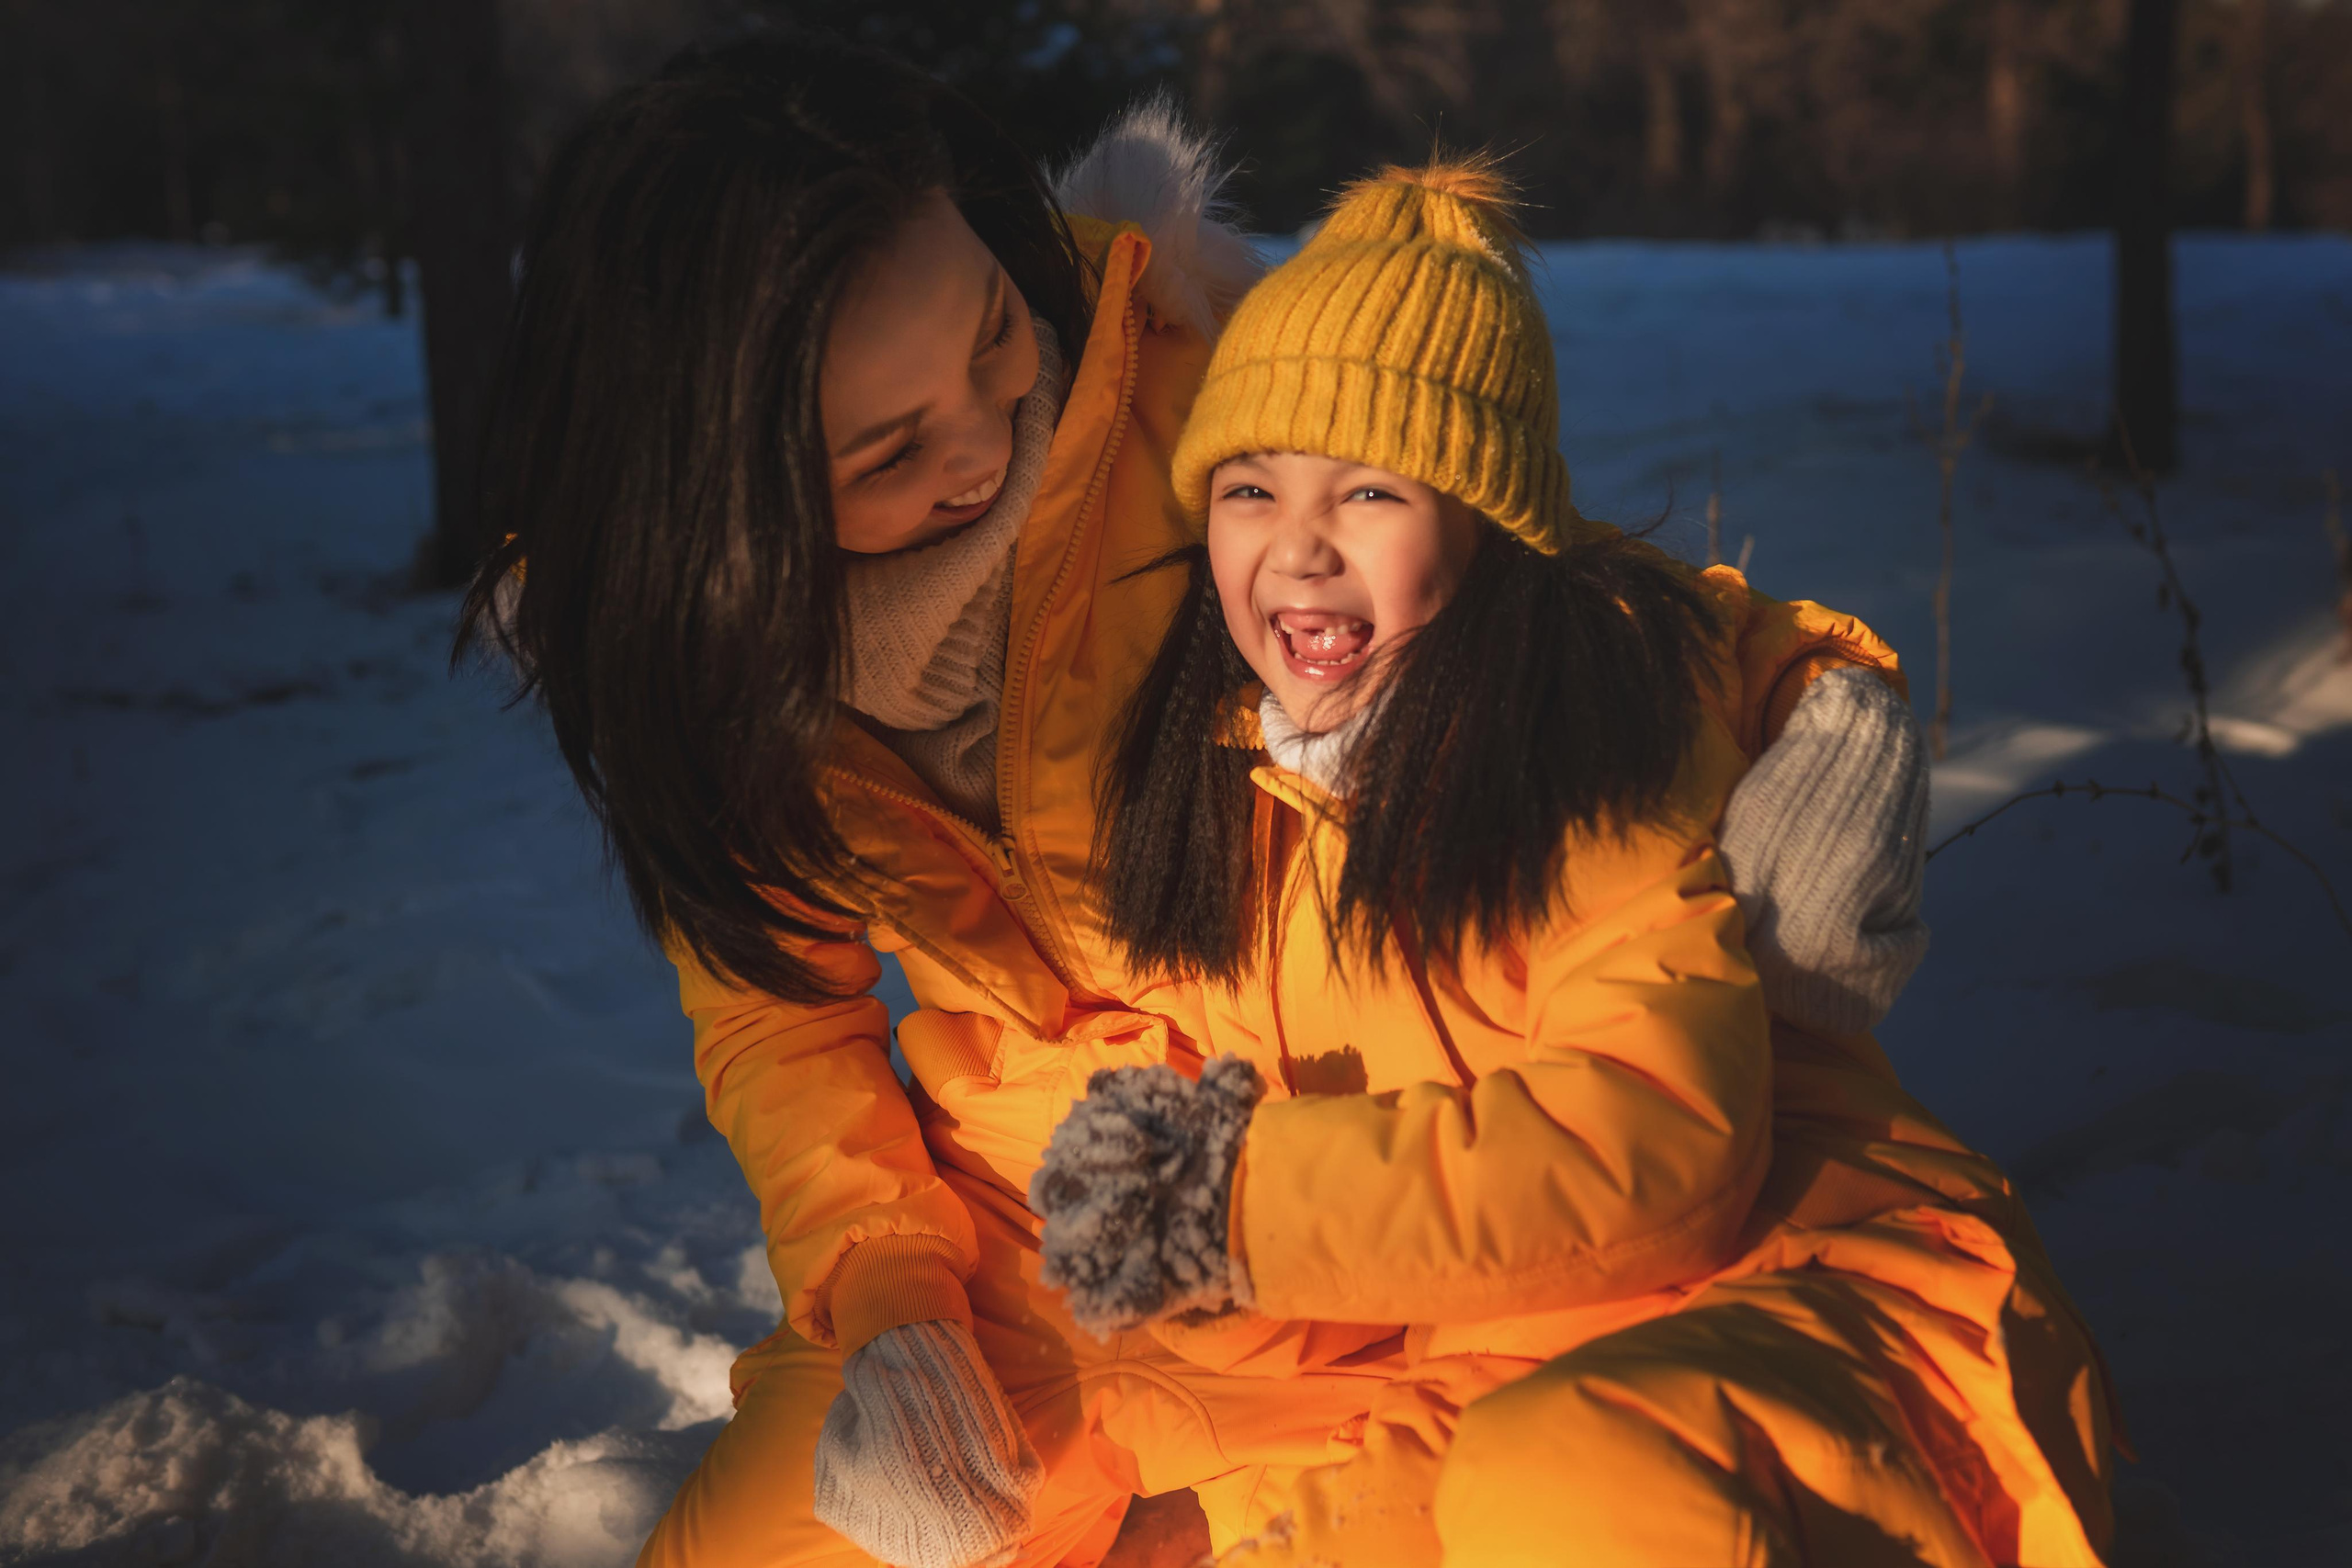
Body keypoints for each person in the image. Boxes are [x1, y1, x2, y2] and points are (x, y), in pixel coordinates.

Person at [463, 28, 1959, 1568]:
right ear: (722, 508)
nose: (989, 444)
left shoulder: (1196, 377)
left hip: (1383, 1178)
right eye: (891, 449)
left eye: (991, 335)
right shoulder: (722, 677)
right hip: (1049, 1247)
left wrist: (1799, 682)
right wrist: (889, 1298)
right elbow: (782, 1012)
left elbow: (1503, 559)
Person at [1029, 163, 2120, 1567]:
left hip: (1813, 1296)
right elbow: (1439, 1288)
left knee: (1563, 1481)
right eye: (1249, 488)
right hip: (1514, 1352)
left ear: (1485, 529)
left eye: (1369, 489)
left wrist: (1236, 1198)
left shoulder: (1591, 741)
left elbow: (1656, 1149)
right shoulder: (1248, 789)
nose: (1297, 548)